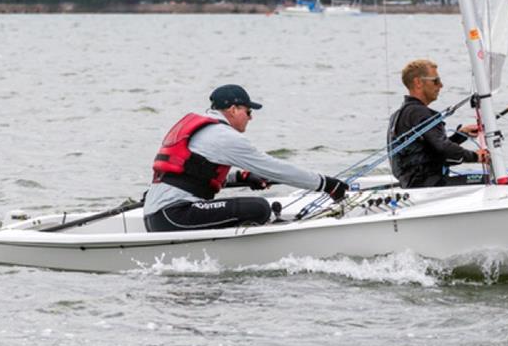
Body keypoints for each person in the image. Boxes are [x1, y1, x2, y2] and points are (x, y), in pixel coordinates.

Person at [143, 84, 348, 232]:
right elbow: (273, 168)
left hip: (159, 217)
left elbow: (194, 175)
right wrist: (326, 184)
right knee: (258, 208)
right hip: (174, 216)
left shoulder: (207, 130)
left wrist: (241, 177)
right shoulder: (223, 137)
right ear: (233, 110)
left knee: (253, 207)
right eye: (248, 111)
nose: (251, 117)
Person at [388, 59, 489, 188]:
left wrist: (461, 135)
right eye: (435, 81)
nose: (441, 85)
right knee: (488, 179)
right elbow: (443, 150)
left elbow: (432, 152)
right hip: (428, 185)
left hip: (413, 184)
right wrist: (476, 156)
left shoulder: (399, 115)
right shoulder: (421, 113)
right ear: (418, 82)